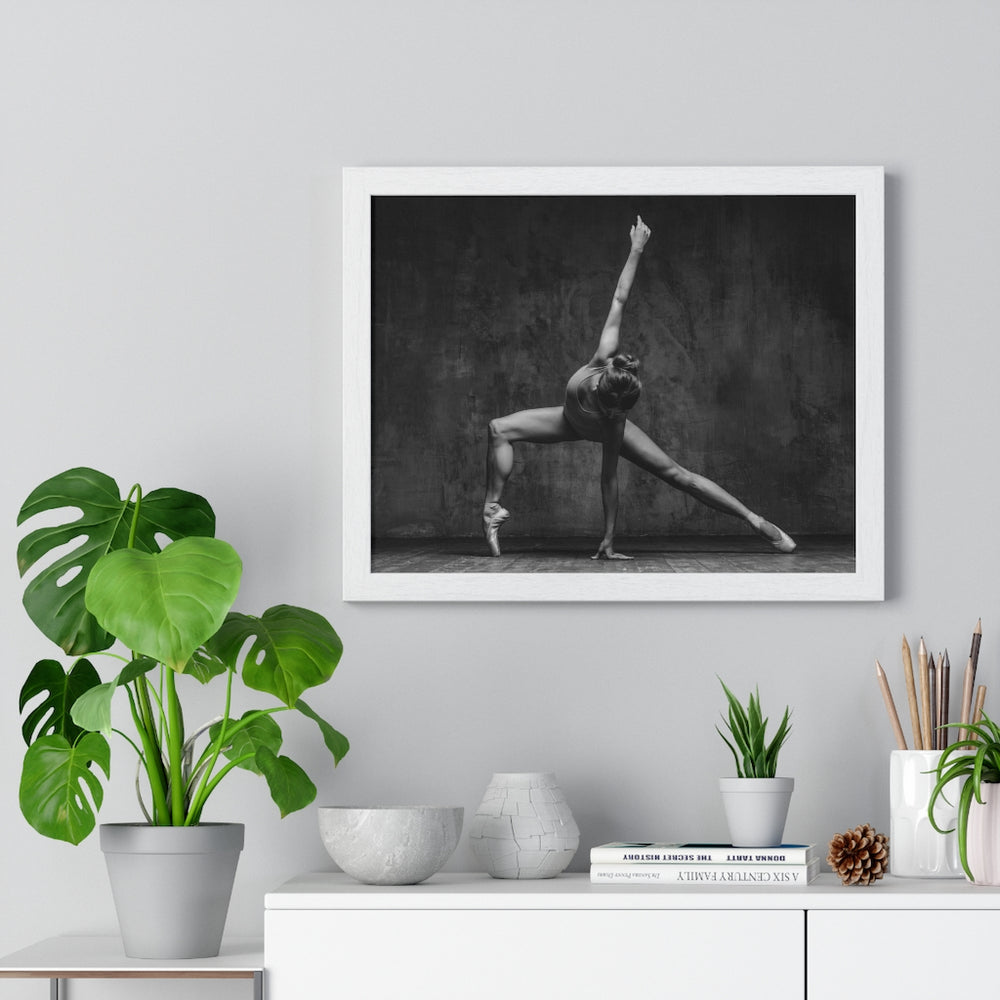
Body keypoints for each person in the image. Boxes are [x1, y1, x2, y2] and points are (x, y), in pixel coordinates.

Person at [482, 215, 797, 560]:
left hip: (595, 429)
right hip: (568, 420)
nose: (612, 414)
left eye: (618, 413)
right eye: (608, 409)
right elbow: (619, 299)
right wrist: (636, 249)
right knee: (499, 429)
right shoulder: (601, 359)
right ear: (601, 387)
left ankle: (755, 520)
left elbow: (608, 481)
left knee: (680, 476)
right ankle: (492, 509)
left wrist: (608, 538)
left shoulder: (613, 424)